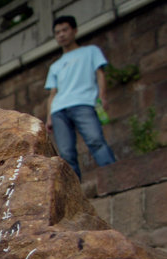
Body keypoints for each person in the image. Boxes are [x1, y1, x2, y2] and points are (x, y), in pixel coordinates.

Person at [44, 15, 116, 179]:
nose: (61, 35)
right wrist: (49, 117)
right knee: (66, 154)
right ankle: (75, 194)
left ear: (74, 31)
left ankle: (113, 176)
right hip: (58, 111)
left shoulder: (91, 51)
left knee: (96, 141)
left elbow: (100, 74)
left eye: (65, 30)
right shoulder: (55, 66)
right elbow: (52, 94)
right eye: (57, 32)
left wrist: (102, 97)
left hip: (84, 103)